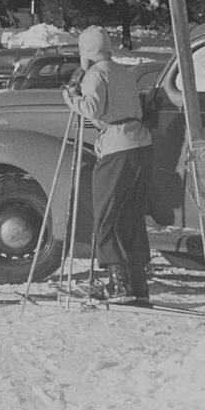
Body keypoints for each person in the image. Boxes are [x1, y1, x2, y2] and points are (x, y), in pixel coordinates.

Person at [61, 26, 153, 304]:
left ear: (86, 51)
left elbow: (93, 109)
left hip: (117, 148)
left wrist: (70, 98)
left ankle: (118, 285)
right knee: (131, 216)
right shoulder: (121, 70)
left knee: (106, 217)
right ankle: (138, 284)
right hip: (141, 144)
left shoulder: (95, 73)